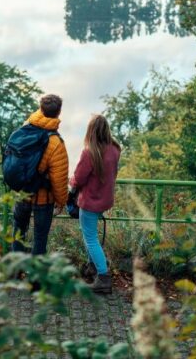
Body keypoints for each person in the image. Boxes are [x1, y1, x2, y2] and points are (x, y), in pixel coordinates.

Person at [11, 94, 69, 255]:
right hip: (43, 199)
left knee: (18, 233)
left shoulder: (24, 130)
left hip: (21, 193)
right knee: (40, 238)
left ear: (40, 109)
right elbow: (59, 179)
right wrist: (61, 201)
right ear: (59, 113)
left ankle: (14, 274)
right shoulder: (56, 143)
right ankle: (36, 278)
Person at [69, 114, 121, 294]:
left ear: (91, 131)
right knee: (91, 236)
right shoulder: (115, 149)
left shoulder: (89, 152)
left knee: (91, 239)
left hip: (90, 201)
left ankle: (103, 277)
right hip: (104, 199)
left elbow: (79, 179)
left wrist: (71, 182)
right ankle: (92, 267)